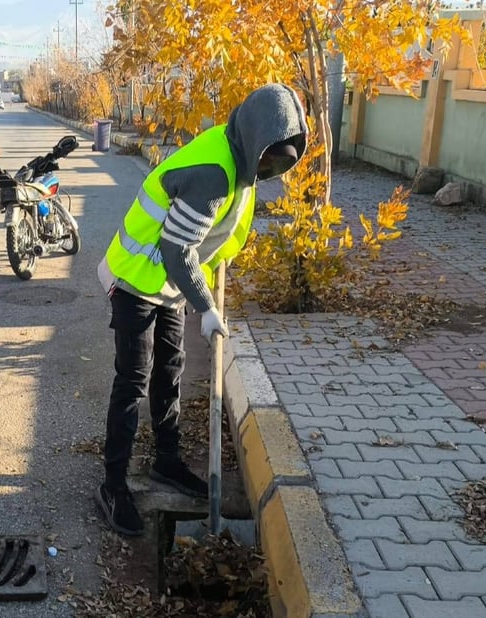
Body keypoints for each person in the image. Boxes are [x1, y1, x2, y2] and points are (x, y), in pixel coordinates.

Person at [95, 84, 308, 535]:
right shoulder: (215, 171)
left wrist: (208, 278)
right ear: (254, 141)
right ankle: (113, 484)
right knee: (134, 378)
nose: (271, 169)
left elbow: (217, 236)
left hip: (168, 285)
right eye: (270, 159)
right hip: (137, 278)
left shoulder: (241, 163)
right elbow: (177, 250)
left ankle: (166, 462)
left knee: (170, 369)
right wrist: (206, 306)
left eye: (281, 163)